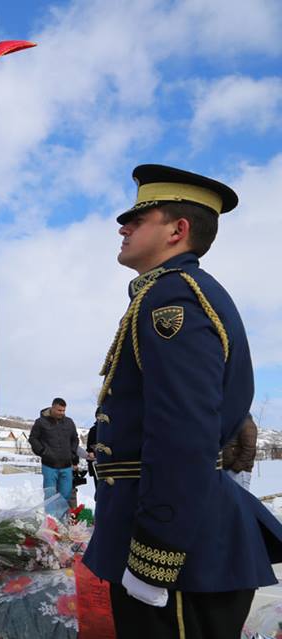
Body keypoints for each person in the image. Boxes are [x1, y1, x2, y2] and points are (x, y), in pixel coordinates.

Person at [82, 164, 282, 639]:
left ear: (178, 230)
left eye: (139, 217)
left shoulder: (173, 298)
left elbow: (183, 434)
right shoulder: (168, 293)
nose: (122, 225)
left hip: (180, 554)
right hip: (183, 539)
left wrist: (155, 556)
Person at [28, 398, 79, 513]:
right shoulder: (41, 422)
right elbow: (33, 438)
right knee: (50, 496)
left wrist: (72, 454)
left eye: (64, 411)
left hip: (66, 466)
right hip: (49, 466)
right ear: (52, 407)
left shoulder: (69, 422)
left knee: (65, 496)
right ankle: (51, 521)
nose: (62, 413)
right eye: (59, 410)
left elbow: (75, 439)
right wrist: (42, 452)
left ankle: (61, 523)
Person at [223, 414, 258, 492]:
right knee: (231, 500)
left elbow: (249, 449)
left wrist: (235, 469)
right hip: (228, 470)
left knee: (242, 500)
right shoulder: (234, 422)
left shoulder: (246, 422)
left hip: (240, 472)